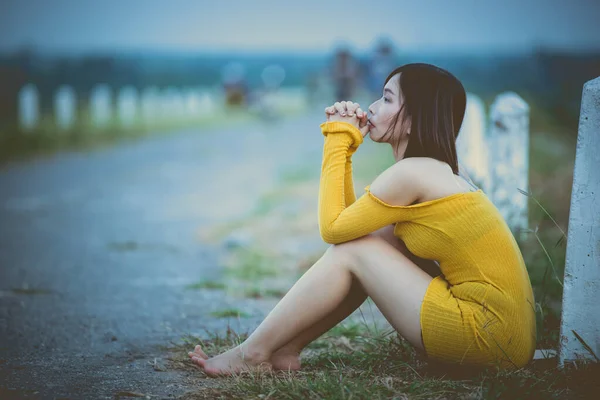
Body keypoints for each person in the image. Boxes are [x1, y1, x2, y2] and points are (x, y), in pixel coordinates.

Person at [188, 63, 537, 377]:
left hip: (485, 336)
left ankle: (252, 353)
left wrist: (337, 138)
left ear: (414, 118)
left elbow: (332, 230)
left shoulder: (413, 173)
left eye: (386, 98)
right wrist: (348, 151)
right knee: (369, 242)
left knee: (353, 252)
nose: (371, 106)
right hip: (506, 340)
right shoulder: (433, 172)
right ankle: (284, 350)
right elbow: (351, 229)